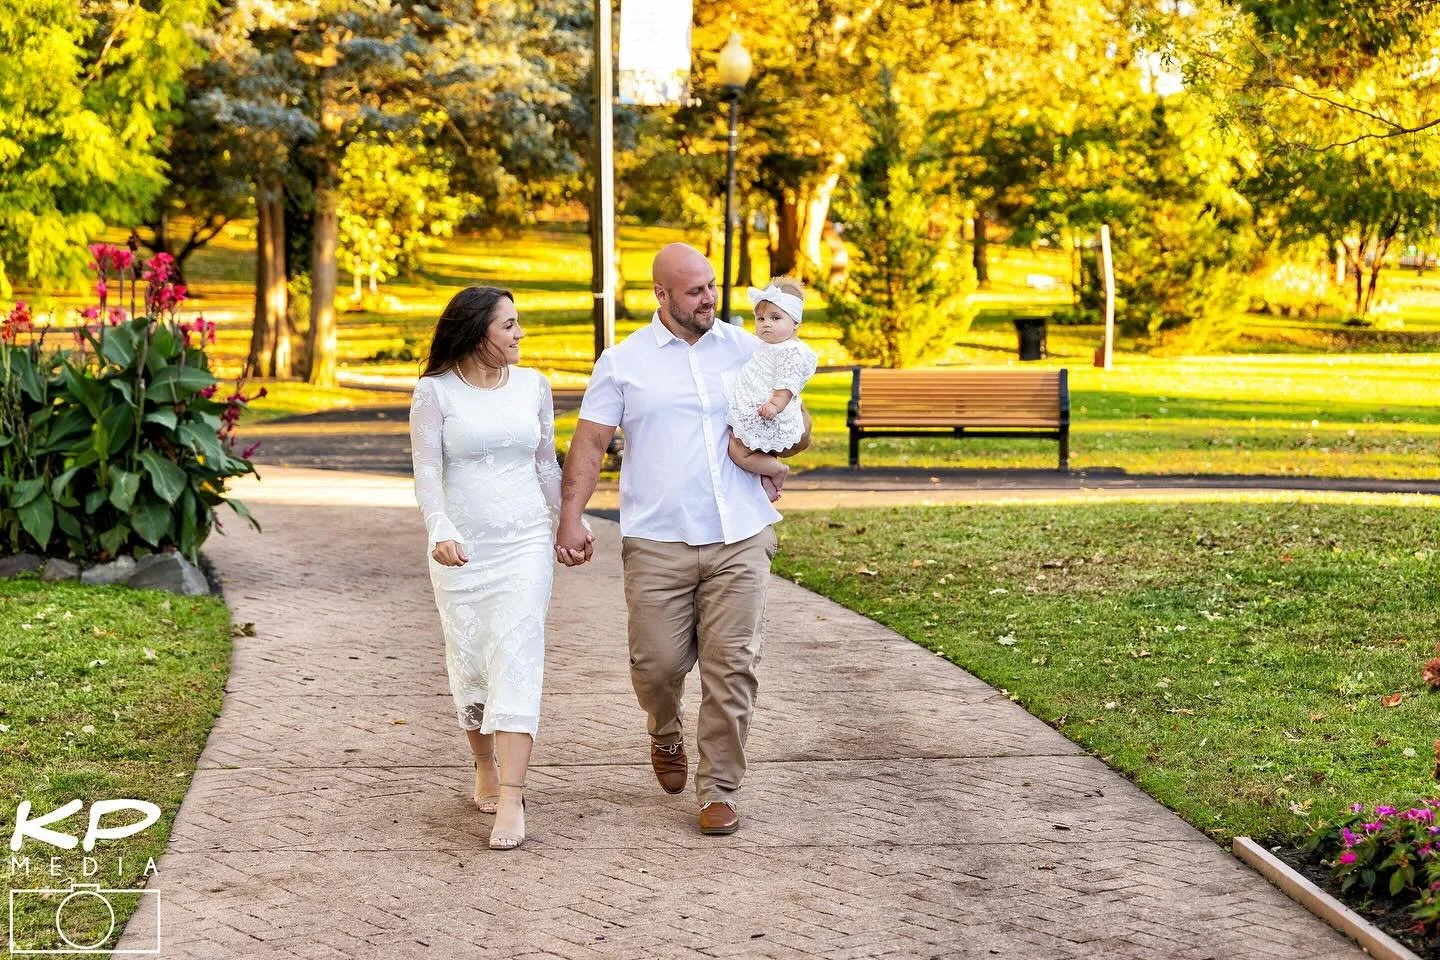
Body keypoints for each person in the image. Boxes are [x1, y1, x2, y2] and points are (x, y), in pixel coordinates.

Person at [555, 243, 810, 836]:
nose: (710, 299)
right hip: (657, 539)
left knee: (732, 667)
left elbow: (797, 427)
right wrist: (572, 516)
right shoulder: (623, 361)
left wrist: (782, 441)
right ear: (661, 295)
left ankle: (719, 787)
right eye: (695, 290)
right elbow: (590, 443)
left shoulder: (750, 350)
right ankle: (664, 732)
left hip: (740, 535)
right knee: (658, 666)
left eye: (713, 286)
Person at [408, 285, 582, 851]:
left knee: (516, 653)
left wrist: (567, 522)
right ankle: (481, 760)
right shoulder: (434, 394)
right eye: (509, 325)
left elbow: (544, 463)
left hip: (525, 543)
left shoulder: (534, 386)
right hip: (462, 548)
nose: (519, 334)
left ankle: (511, 796)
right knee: (471, 663)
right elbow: (428, 474)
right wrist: (441, 529)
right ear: (478, 329)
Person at [724, 277, 819, 501]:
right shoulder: (769, 347)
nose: (766, 323)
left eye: (775, 318)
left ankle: (776, 471)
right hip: (761, 409)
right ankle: (768, 481)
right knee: (753, 451)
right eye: (761, 318)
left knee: (739, 452)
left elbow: (788, 383)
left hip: (768, 413)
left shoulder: (789, 351)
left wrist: (775, 405)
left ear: (795, 323)